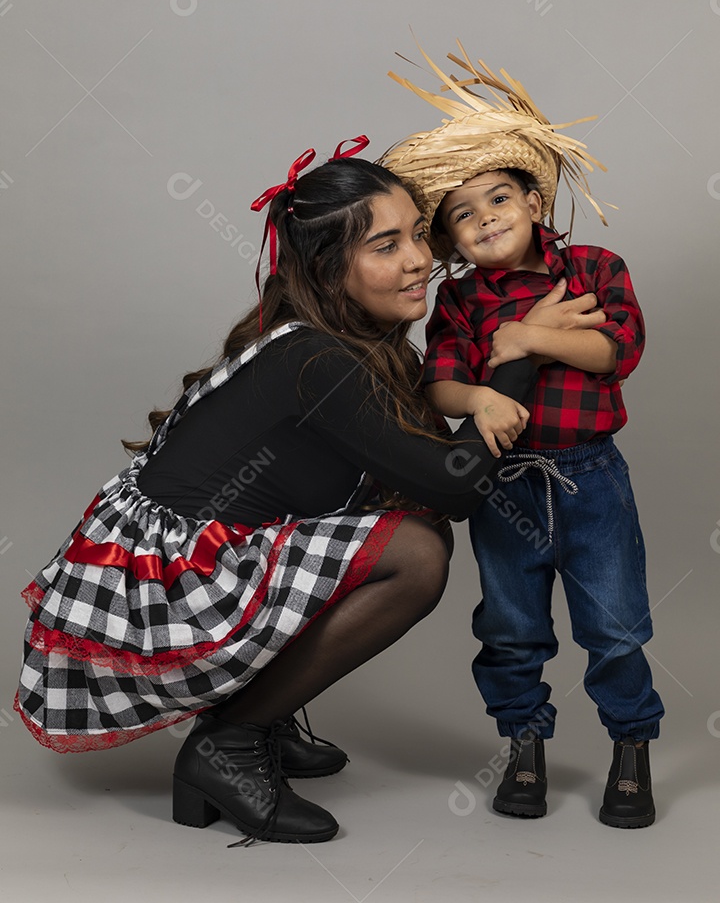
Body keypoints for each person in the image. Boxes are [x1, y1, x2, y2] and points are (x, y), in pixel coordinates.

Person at [15, 140, 544, 848]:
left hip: (189, 556)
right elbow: (456, 486)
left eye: (419, 232)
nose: (420, 258)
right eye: (387, 245)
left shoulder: (337, 338)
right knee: (417, 552)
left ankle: (252, 712)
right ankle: (229, 743)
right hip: (156, 591)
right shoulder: (317, 358)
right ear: (330, 267)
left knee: (385, 515)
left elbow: (421, 462)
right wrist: (518, 359)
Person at [380, 44, 664, 829]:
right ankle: (524, 745)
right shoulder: (462, 303)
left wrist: (524, 343)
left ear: (535, 200)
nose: (483, 221)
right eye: (462, 217)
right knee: (510, 627)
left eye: (498, 200)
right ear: (450, 239)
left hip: (592, 477)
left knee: (612, 624)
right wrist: (479, 388)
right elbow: (438, 385)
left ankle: (631, 748)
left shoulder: (597, 268)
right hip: (506, 485)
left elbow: (615, 352)